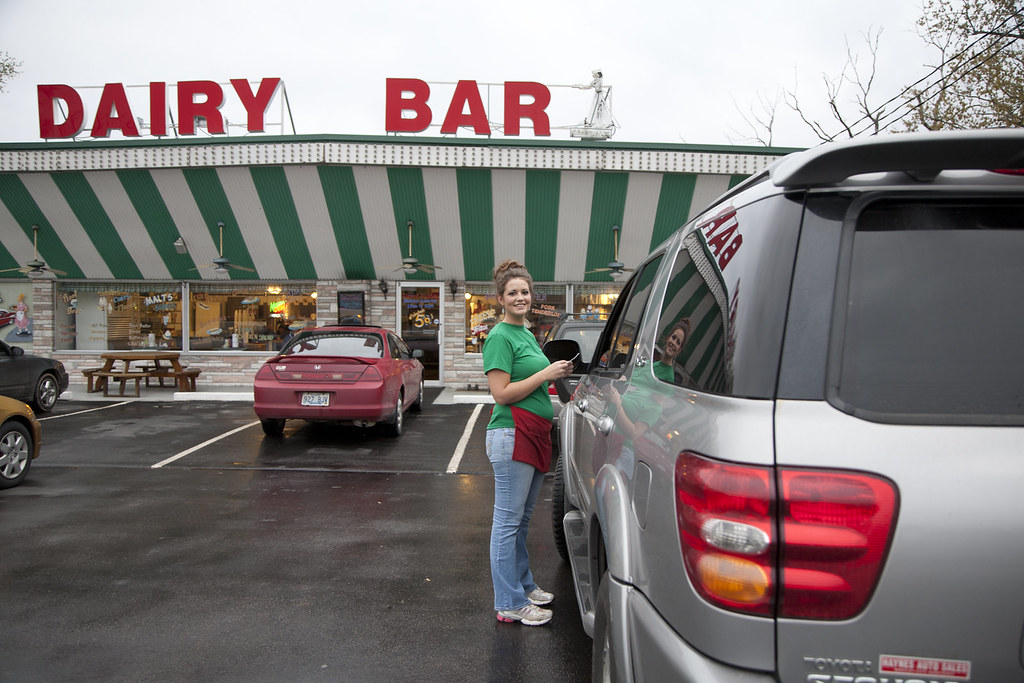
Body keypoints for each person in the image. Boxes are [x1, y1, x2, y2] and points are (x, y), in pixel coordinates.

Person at [483, 259, 573, 626]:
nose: (520, 297)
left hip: (534, 434)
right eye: (512, 293)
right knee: (507, 522)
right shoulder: (499, 336)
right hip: (511, 433)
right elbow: (501, 393)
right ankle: (509, 602)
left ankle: (523, 586)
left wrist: (556, 373)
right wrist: (546, 372)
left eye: (525, 292)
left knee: (520, 522)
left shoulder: (526, 334)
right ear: (501, 298)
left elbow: (532, 382)